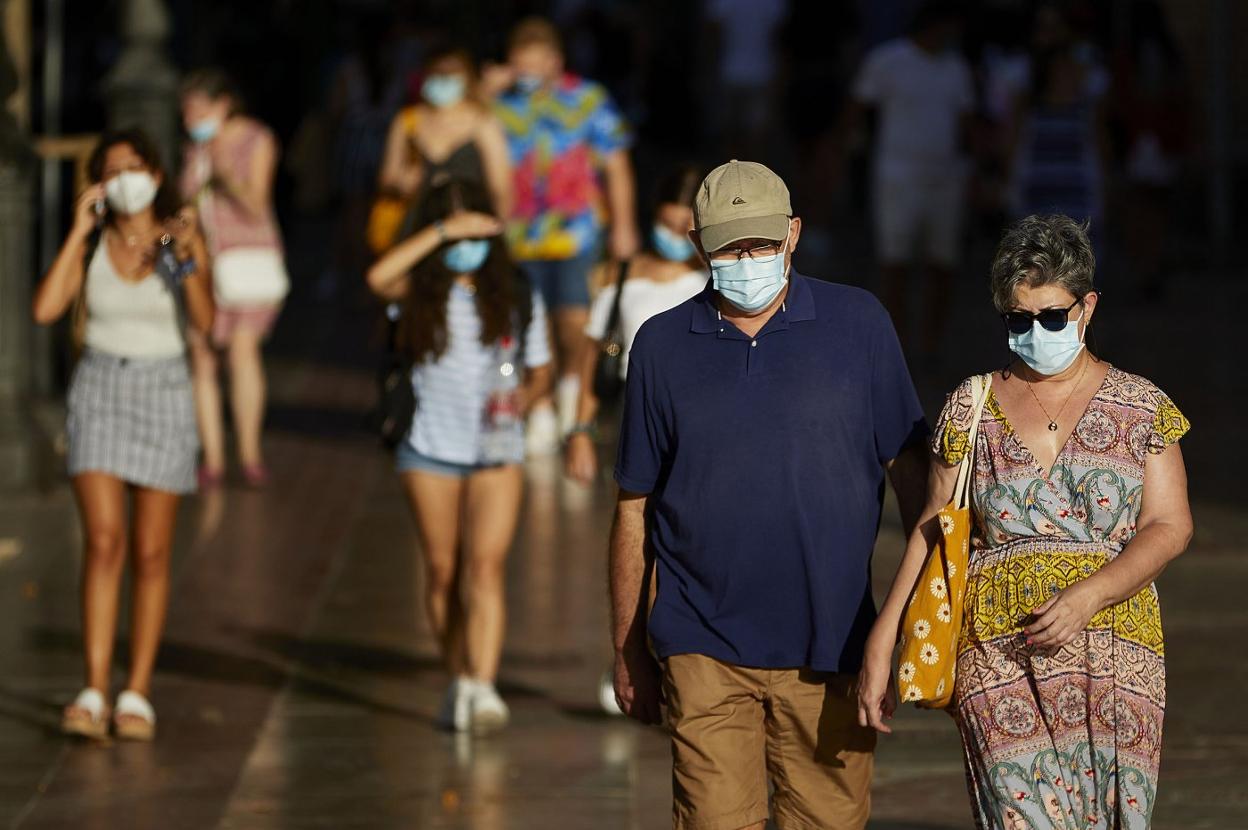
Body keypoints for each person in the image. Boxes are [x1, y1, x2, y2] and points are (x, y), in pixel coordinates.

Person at [610, 160, 930, 829]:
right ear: (700, 246)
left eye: (760, 243)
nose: (746, 259)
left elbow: (912, 477)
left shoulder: (859, 324)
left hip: (833, 644)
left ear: (794, 234)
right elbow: (634, 508)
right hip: (702, 645)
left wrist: (914, 617)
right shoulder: (662, 346)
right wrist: (628, 646)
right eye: (728, 246)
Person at [858, 215, 1193, 829]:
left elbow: (1170, 526)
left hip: (1114, 650)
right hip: (995, 648)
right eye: (1019, 320)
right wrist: (885, 638)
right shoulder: (972, 403)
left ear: (1087, 307)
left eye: (1051, 317)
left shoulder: (1142, 406)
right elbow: (933, 527)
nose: (1036, 332)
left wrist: (1093, 593)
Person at [32, 129, 215, 741]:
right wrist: (79, 232)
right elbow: (44, 309)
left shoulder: (177, 238)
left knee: (151, 551)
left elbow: (207, 320)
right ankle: (93, 685)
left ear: (157, 175)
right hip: (100, 389)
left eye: (134, 167)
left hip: (164, 391)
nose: (124, 179)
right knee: (104, 541)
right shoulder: (93, 243)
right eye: (111, 172)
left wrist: (185, 254)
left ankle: (136, 689)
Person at [366, 177, 552, 734]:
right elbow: (377, 277)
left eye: (475, 228)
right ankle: (459, 676)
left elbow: (542, 371)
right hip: (428, 447)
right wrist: (442, 232)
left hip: (497, 447)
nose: (465, 244)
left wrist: (526, 397)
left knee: (485, 567)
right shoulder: (418, 293)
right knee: (443, 571)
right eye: (452, 232)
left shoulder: (517, 293)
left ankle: (482, 684)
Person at [490, 17, 639, 453]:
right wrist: (485, 91)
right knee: (529, 322)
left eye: (535, 63)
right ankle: (539, 404)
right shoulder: (498, 106)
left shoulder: (588, 100)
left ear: (555, 61)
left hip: (578, 231)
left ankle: (574, 395)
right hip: (518, 235)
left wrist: (625, 226)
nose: (527, 73)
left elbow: (616, 164)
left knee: (574, 318)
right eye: (520, 65)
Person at [843, 0, 974, 358]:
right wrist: (852, 153)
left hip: (945, 177)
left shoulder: (955, 67)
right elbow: (858, 107)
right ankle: (894, 344)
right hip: (898, 176)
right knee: (895, 263)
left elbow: (965, 121)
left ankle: (931, 345)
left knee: (942, 263)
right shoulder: (888, 60)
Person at [564, 164, 706, 486]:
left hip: (699, 406)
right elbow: (596, 355)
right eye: (665, 224)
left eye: (684, 226)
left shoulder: (716, 276)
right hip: (634, 407)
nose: (673, 235)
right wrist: (581, 430)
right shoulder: (623, 273)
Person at [179, 68, 286, 488]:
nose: (191, 119)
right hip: (204, 263)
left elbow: (257, 204)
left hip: (249, 259)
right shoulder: (194, 149)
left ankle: (249, 453)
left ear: (223, 104)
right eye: (186, 113)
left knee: (243, 352)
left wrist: (225, 176)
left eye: (198, 110)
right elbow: (185, 206)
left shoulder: (257, 139)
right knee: (202, 356)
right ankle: (213, 459)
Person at [1006, 4, 1111, 245]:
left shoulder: (1091, 80)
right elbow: (1012, 137)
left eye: (1053, 29)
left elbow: (1100, 137)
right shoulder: (1022, 81)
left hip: (1079, 195)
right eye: (1042, 29)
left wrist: (1105, 189)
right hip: (1034, 195)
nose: (1047, 38)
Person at [375, 45, 514, 224]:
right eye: (438, 73)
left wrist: (498, 229)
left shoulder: (483, 122)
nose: (444, 79)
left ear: (467, 77)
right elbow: (386, 178)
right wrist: (400, 183)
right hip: (416, 227)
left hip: (469, 229)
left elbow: (501, 188)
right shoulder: (407, 121)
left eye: (452, 73)